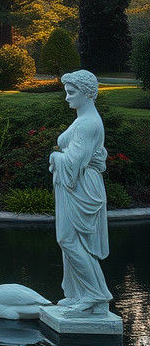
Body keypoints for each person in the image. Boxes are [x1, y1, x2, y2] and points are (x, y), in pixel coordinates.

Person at [48, 69, 112, 316]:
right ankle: (80, 294)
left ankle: (96, 295)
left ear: (87, 93)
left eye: (71, 92)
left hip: (82, 187)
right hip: (77, 186)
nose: (67, 98)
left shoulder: (88, 124)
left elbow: (74, 164)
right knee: (73, 242)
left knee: (69, 239)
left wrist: (55, 156)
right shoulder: (83, 120)